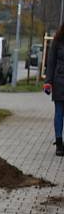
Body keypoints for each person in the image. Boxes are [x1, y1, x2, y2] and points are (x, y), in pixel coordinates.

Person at [44, 23, 64, 156]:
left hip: (59, 80)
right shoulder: (57, 41)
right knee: (59, 113)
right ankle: (59, 143)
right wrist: (48, 82)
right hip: (59, 81)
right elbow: (50, 62)